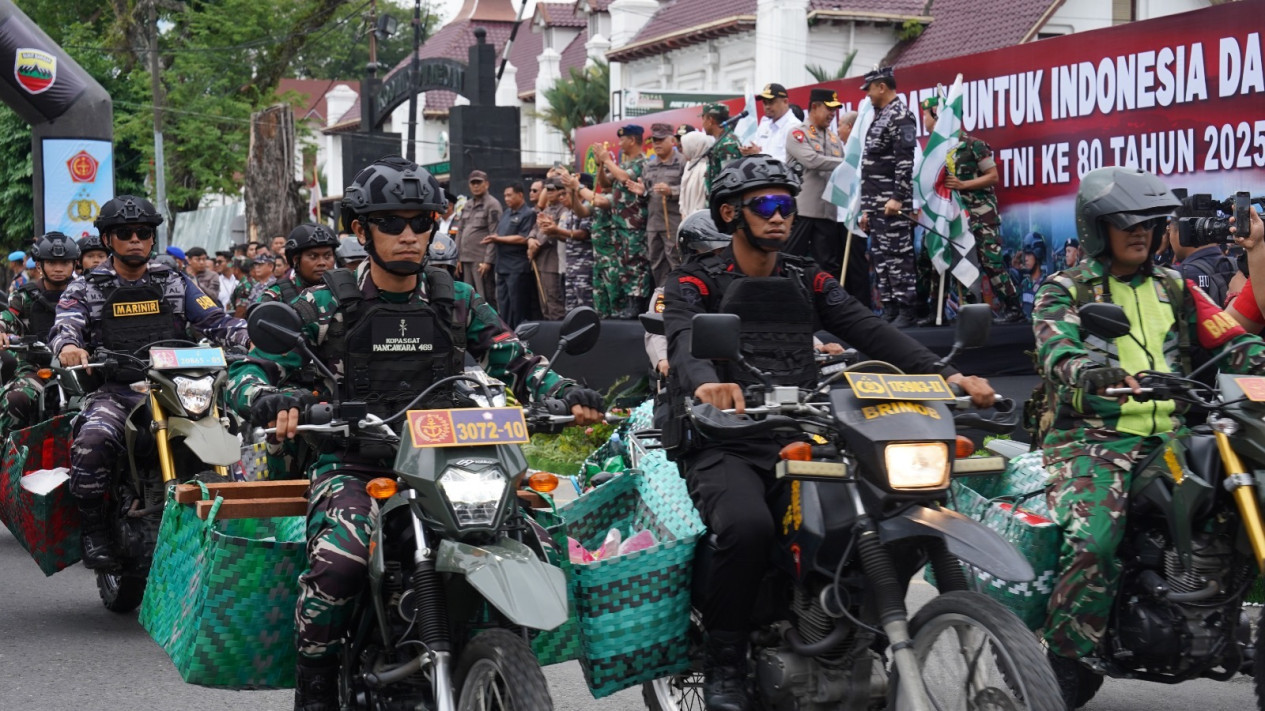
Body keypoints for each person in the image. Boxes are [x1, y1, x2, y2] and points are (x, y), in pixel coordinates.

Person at [224, 156, 603, 710]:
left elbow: (514, 358)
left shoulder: (454, 298)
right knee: (341, 562)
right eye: (392, 223)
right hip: (356, 462)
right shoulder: (325, 302)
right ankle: (315, 687)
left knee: (542, 538)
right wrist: (267, 397)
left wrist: (562, 392)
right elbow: (246, 368)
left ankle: (501, 655)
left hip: (449, 463)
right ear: (361, 230)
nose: (408, 236)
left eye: (421, 223)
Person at [663, 156, 995, 711]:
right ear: (730, 214)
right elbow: (682, 341)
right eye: (766, 205)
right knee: (746, 527)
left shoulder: (806, 277)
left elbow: (868, 328)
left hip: (802, 430)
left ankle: (851, 624)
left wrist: (948, 375)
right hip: (724, 436)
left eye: (787, 206)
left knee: (881, 507)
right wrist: (706, 385)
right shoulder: (695, 279)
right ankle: (724, 660)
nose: (780, 217)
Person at [1031, 167, 1265, 706]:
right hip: (1093, 440)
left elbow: (1231, 342)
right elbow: (1056, 348)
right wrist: (1085, 371)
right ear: (1097, 228)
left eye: (1152, 223)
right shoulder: (1066, 288)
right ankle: (1065, 659)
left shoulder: (1175, 286)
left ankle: (1214, 610)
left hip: (1172, 438)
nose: (1141, 232)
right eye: (1126, 223)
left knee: (1234, 492)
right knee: (1095, 540)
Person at [50, 195, 249, 569]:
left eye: (143, 232)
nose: (136, 239)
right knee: (91, 440)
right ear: (108, 240)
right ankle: (93, 530)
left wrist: (249, 338)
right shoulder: (86, 287)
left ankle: (237, 533)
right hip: (118, 391)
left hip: (177, 389)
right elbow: (65, 325)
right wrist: (70, 346)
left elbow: (217, 321)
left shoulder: (173, 280)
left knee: (230, 432)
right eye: (125, 233)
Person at [920, 97, 1024, 323]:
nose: (926, 120)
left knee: (990, 262)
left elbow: (993, 176)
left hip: (980, 215)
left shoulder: (974, 145)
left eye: (928, 115)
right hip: (949, 216)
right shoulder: (937, 152)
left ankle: (1014, 308)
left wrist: (963, 185)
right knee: (941, 259)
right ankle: (937, 312)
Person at [0, 233, 80, 433]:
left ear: (74, 264)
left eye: (65, 262)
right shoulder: (25, 295)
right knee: (14, 399)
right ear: (39, 266)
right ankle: (8, 454)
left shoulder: (86, 293)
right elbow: (9, 317)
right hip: (36, 368)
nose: (59, 268)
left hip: (82, 369)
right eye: (52, 263)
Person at [857, 67, 917, 328]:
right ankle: (890, 307)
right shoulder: (879, 115)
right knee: (881, 258)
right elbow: (871, 164)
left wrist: (898, 197)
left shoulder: (901, 116)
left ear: (882, 87)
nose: (867, 95)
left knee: (897, 256)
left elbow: (905, 162)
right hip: (875, 203)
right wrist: (866, 210)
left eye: (869, 89)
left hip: (892, 203)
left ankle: (907, 308)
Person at [784, 87, 845, 277]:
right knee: (790, 258)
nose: (832, 115)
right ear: (815, 107)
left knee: (827, 265)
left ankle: (825, 304)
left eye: (834, 110)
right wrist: (848, 163)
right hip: (804, 211)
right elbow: (813, 161)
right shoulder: (797, 134)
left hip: (827, 212)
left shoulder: (835, 139)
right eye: (829, 109)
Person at [595, 124, 655, 318]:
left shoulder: (642, 162)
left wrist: (607, 159)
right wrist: (600, 165)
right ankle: (627, 303)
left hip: (634, 224)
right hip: (619, 224)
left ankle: (637, 303)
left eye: (622, 139)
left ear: (632, 140)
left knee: (636, 264)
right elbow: (605, 183)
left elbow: (621, 178)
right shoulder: (625, 164)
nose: (619, 144)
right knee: (623, 264)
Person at [637, 123, 686, 287]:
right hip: (654, 224)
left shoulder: (682, 162)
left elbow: (689, 189)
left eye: (660, 139)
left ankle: (679, 298)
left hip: (673, 223)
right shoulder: (649, 166)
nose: (656, 144)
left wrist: (671, 191)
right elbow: (646, 196)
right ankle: (661, 300)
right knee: (656, 264)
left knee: (676, 262)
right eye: (654, 140)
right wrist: (641, 192)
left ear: (672, 139)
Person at [485, 181, 537, 328]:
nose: (506, 198)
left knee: (518, 307)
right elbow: (500, 233)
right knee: (504, 307)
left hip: (517, 267)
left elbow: (523, 237)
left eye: (509, 195)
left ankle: (522, 338)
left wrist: (498, 239)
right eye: (505, 196)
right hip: (502, 266)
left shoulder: (528, 213)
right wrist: (494, 238)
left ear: (520, 195)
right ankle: (508, 335)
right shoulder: (506, 213)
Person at [1165, 205, 1238, 308]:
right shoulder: (1240, 269)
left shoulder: (1177, 277)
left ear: (1181, 230)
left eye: (1169, 230)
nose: (1169, 237)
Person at [259, 224, 340, 305]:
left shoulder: (344, 289)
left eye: (327, 256)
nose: (322, 263)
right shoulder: (277, 294)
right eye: (313, 256)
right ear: (296, 260)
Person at [456, 169, 502, 307]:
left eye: (479, 182)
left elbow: (495, 234)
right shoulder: (467, 205)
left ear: (486, 184)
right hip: (465, 259)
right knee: (467, 296)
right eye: (473, 183)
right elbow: (460, 230)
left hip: (480, 259)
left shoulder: (492, 204)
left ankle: (489, 326)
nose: (475, 186)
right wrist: (457, 256)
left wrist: (488, 261)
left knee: (483, 297)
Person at [527, 177, 569, 320]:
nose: (549, 193)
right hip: (540, 261)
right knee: (544, 303)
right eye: (547, 190)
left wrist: (535, 246)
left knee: (554, 302)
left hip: (553, 262)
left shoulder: (563, 210)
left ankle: (558, 335)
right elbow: (534, 229)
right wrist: (531, 240)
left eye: (552, 190)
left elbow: (549, 234)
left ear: (561, 192)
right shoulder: (546, 209)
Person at [745, 83, 802, 164]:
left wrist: (758, 155)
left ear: (785, 102)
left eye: (771, 102)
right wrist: (749, 152)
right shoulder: (764, 125)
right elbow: (756, 149)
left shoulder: (794, 127)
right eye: (765, 103)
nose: (767, 107)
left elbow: (791, 162)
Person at [702, 103, 742, 193]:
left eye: (703, 118)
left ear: (710, 120)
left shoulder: (727, 143)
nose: (702, 123)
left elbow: (730, 180)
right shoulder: (721, 141)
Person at [679, 130, 715, 218]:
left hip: (699, 219)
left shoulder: (705, 167)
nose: (683, 151)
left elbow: (702, 200)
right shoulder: (689, 165)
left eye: (685, 146)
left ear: (694, 147)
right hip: (687, 219)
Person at [1019, 232, 1048, 318]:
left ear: (1038, 253)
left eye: (1029, 254)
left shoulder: (1047, 285)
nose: (1025, 259)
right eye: (1025, 254)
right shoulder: (1024, 284)